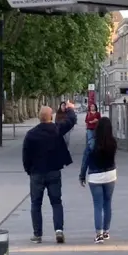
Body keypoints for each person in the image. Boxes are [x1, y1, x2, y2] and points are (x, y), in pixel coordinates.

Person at [22, 102, 77, 244]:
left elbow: (26, 156)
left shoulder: (31, 134)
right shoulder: (56, 130)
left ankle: (37, 234)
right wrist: (70, 109)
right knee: (56, 202)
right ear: (51, 117)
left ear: (39, 118)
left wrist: (29, 170)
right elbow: (71, 121)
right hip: (53, 171)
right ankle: (58, 230)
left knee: (36, 204)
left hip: (37, 173)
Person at [79, 115, 118, 244]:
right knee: (108, 203)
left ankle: (99, 234)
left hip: (95, 176)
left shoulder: (92, 142)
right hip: (110, 174)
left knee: (97, 205)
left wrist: (82, 175)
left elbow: (85, 160)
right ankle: (106, 231)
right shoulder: (113, 142)